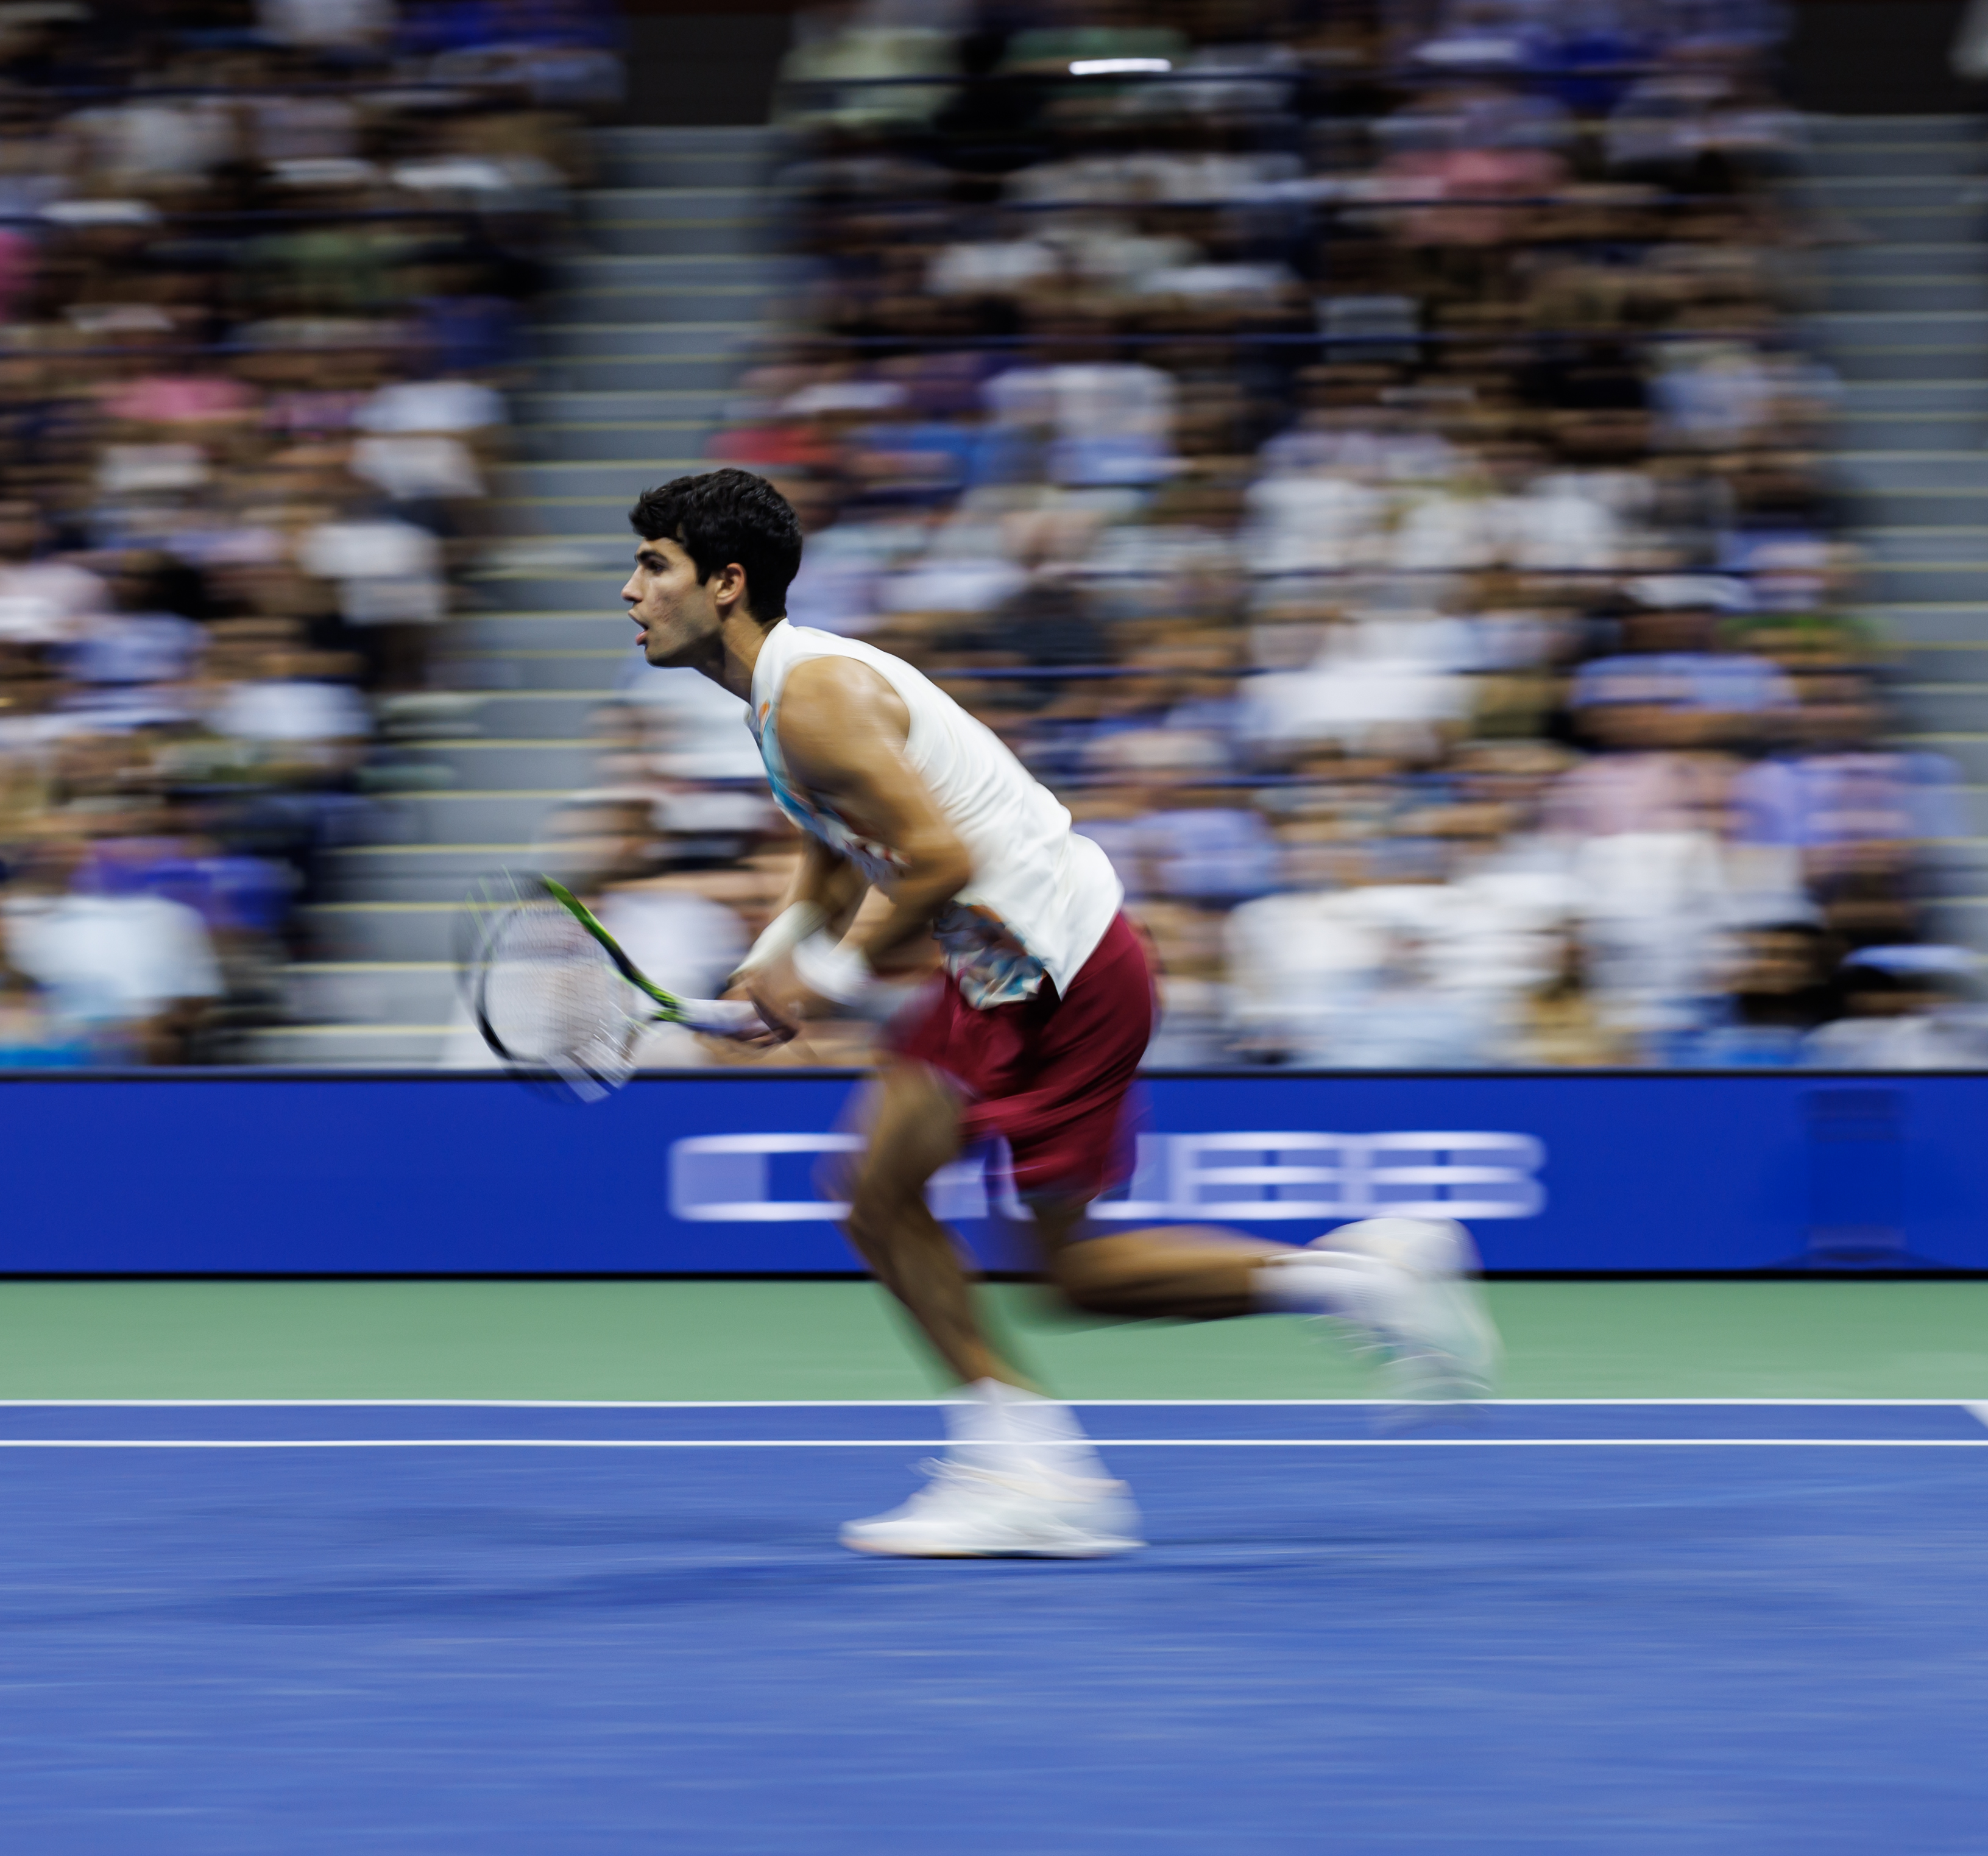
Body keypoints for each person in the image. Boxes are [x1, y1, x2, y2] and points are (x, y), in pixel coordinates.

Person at [622, 469, 1499, 1561]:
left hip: (1058, 976)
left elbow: (936, 860)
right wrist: (773, 963)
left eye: (653, 565)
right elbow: (839, 855)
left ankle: (1056, 1460)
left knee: (1023, 1259)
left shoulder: (813, 699)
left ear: (727, 581)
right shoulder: (784, 700)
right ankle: (1339, 1291)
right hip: (1009, 969)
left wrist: (829, 984)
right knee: (930, 1219)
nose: (632, 591)